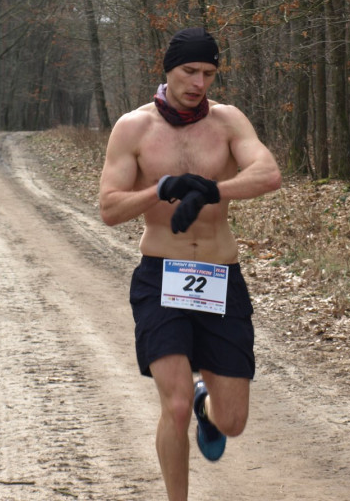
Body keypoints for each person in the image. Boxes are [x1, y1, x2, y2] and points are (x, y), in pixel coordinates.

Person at [99, 27, 281, 501]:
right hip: (162, 276)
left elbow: (267, 174)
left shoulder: (227, 121)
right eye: (189, 71)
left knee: (233, 421)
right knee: (174, 405)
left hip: (220, 277)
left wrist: (211, 190)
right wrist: (159, 190)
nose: (199, 83)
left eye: (209, 73)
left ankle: (208, 406)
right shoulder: (134, 128)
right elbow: (109, 209)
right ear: (168, 70)